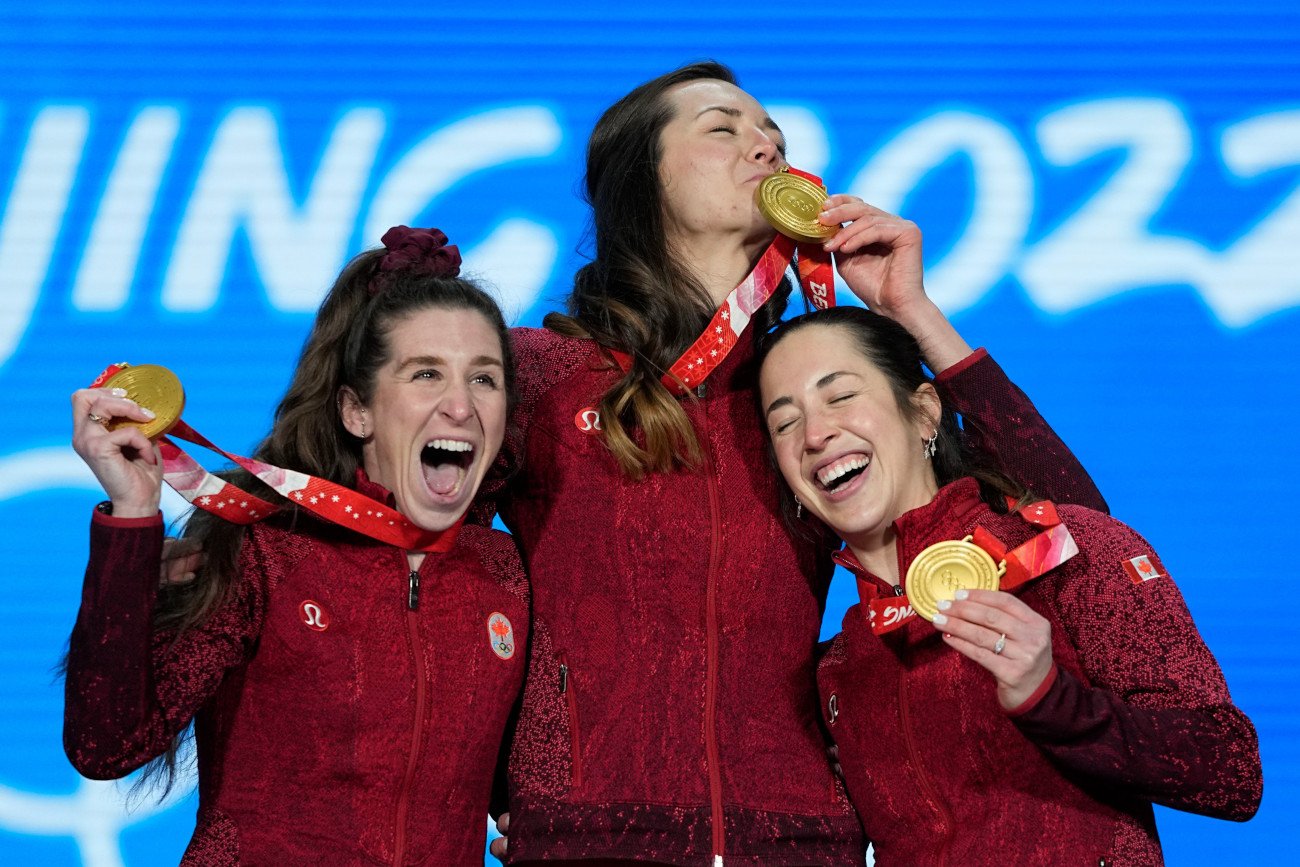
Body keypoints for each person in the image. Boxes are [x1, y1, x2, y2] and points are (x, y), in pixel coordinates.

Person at [485, 62, 1109, 864]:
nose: (767, 147)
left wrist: (910, 314)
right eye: (724, 128)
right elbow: (438, 582)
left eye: (775, 136)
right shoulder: (541, 372)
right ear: (642, 181)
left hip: (797, 838)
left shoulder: (807, 406)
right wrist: (513, 764)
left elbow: (1074, 536)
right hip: (590, 836)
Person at [64, 227, 529, 865]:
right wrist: (133, 515)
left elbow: (532, 784)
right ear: (356, 411)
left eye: (485, 379)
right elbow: (107, 744)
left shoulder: (507, 576)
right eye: (426, 374)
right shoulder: (266, 551)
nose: (459, 405)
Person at [756, 305, 1262, 865]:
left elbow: (1231, 772)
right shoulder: (839, 668)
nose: (815, 434)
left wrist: (1053, 700)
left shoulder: (1065, 552)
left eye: (841, 396)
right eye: (785, 423)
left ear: (924, 413)